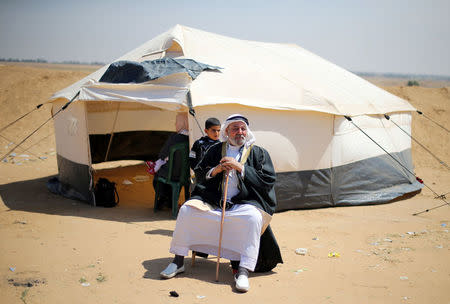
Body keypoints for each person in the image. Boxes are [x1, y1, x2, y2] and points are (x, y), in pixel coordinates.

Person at [160, 114, 283, 293]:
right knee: (187, 210)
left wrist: (240, 167)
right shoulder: (215, 150)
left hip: (244, 202)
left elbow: (267, 181)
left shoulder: (259, 153)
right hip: (214, 200)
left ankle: (243, 271)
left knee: (252, 218)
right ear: (227, 131)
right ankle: (178, 261)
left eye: (243, 128)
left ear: (247, 131)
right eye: (235, 128)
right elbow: (200, 173)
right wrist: (216, 170)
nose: (240, 132)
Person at [152, 112, 189, 209]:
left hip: (172, 174)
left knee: (157, 177)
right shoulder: (191, 138)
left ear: (181, 123)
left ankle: (165, 198)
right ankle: (169, 199)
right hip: (186, 174)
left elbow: (162, 154)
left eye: (176, 122)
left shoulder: (174, 137)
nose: (175, 124)